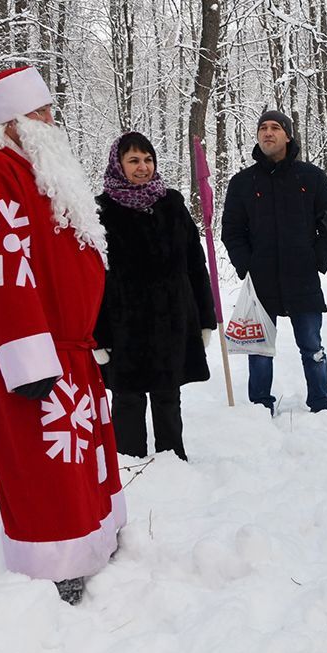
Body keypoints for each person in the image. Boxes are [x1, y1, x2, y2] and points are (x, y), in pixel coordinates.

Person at [0, 65, 125, 604]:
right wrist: (28, 356)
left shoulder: (36, 171)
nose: (53, 120)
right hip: (36, 352)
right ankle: (55, 557)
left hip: (70, 347)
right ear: (15, 120)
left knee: (78, 460)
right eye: (43, 112)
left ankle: (92, 536)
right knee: (45, 464)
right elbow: (1, 269)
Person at [93, 133, 216, 461]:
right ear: (118, 164)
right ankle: (129, 466)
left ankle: (173, 462)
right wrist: (98, 334)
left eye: (147, 160)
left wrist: (205, 318)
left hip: (171, 320)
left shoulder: (171, 203)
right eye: (133, 160)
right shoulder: (100, 211)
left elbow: (195, 263)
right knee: (127, 399)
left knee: (167, 396)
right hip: (124, 326)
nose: (143, 167)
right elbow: (92, 279)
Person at [222, 110, 327, 415]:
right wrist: (246, 264)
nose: (268, 133)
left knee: (312, 346)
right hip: (261, 280)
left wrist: (318, 257)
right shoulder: (242, 182)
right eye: (263, 128)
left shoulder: (310, 177)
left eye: (275, 127)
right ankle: (260, 406)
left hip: (302, 277)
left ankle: (321, 403)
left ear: (288, 135)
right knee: (259, 349)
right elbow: (231, 231)